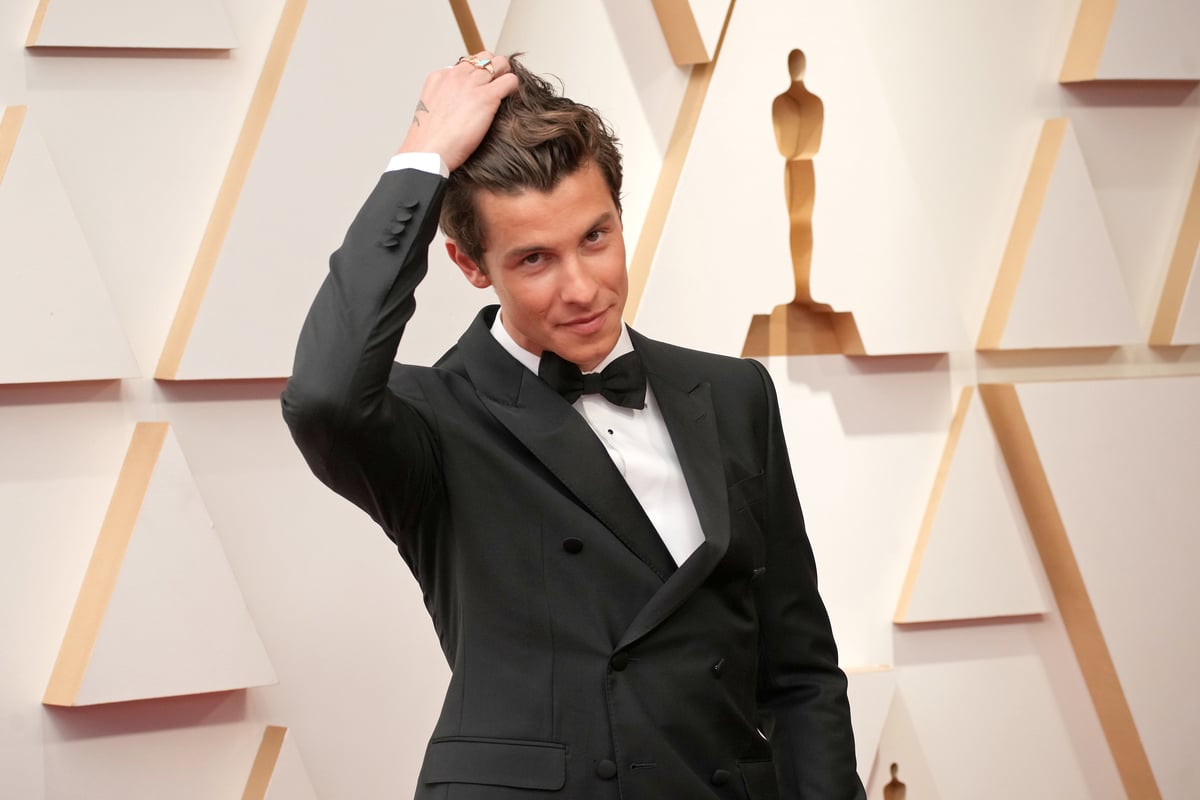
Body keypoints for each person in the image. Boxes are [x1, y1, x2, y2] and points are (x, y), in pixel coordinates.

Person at [282, 51, 864, 800]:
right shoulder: (433, 421)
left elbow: (800, 672)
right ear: (468, 264)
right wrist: (422, 162)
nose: (583, 289)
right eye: (534, 259)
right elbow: (323, 395)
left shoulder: (731, 391)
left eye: (596, 236)